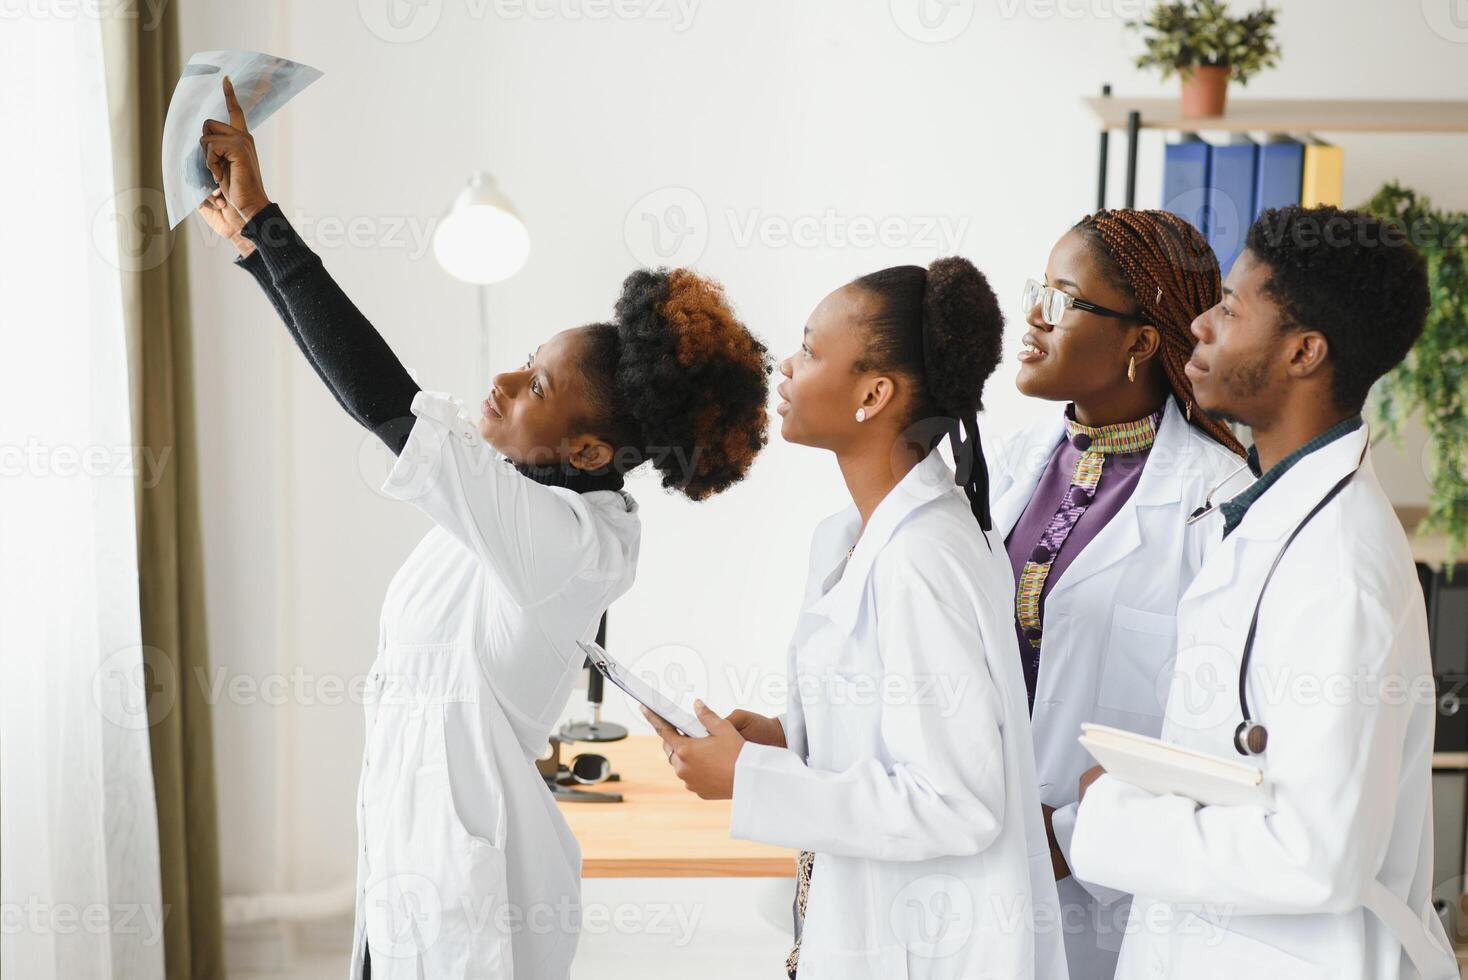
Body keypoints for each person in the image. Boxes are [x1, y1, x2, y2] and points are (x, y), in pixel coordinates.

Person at [195, 77, 773, 979]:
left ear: (587, 451)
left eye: (537, 385)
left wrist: (272, 224)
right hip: (406, 876)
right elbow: (381, 396)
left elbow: (383, 405)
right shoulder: (518, 485)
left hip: (474, 910)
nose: (502, 383)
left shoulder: (564, 543)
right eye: (526, 361)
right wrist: (254, 253)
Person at [645, 259, 1068, 979]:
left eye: (810, 350)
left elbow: (956, 802)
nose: (785, 364)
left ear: (873, 393)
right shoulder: (850, 537)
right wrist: (784, 740)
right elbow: (893, 739)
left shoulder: (923, 558)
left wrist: (753, 777)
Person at [1070, 205, 1455, 980]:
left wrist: (1109, 810)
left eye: (1230, 308)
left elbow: (1316, 857)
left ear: (1304, 352)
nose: (1200, 327)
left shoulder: (1339, 570)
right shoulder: (1267, 516)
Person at [987, 209, 1249, 978]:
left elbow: (1216, 724)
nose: (1034, 315)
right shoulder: (1008, 466)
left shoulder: (1219, 501)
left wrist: (1070, 836)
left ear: (1140, 340)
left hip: (1108, 895)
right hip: (979, 853)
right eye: (1037, 289)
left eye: (1064, 299)